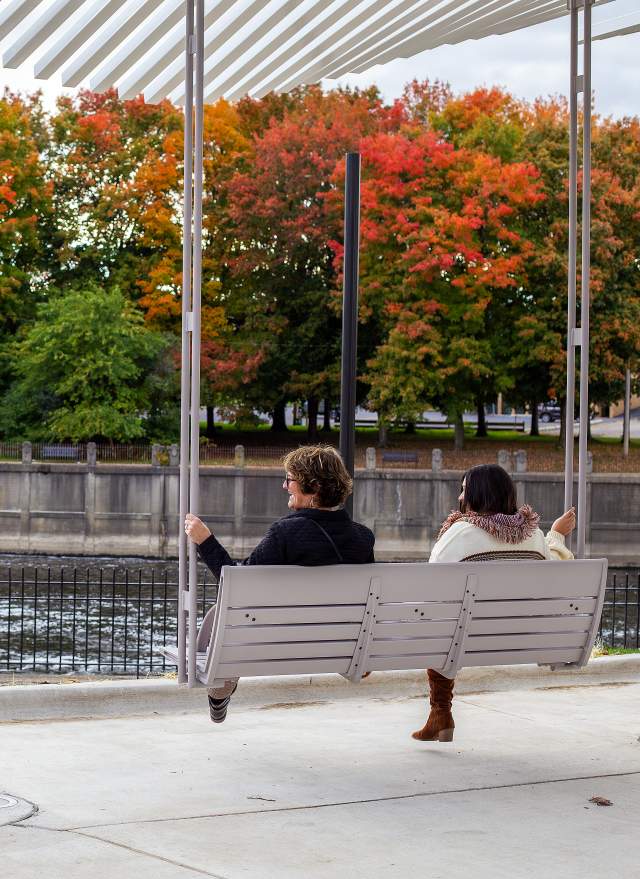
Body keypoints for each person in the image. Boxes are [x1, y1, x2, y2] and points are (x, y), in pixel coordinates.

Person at [185, 444, 375, 723]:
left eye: (290, 480)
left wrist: (205, 541)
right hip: (339, 644)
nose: (284, 485)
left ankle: (221, 684)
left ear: (312, 488)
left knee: (226, 616)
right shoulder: (363, 537)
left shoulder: (286, 532)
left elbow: (238, 585)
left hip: (278, 641)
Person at [412, 463, 575, 744]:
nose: (460, 498)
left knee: (440, 623)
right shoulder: (534, 537)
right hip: (521, 638)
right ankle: (439, 716)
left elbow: (431, 585)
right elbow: (556, 571)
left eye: (464, 491)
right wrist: (557, 535)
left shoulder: (459, 534)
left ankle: (441, 711)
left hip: (466, 638)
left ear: (478, 495)